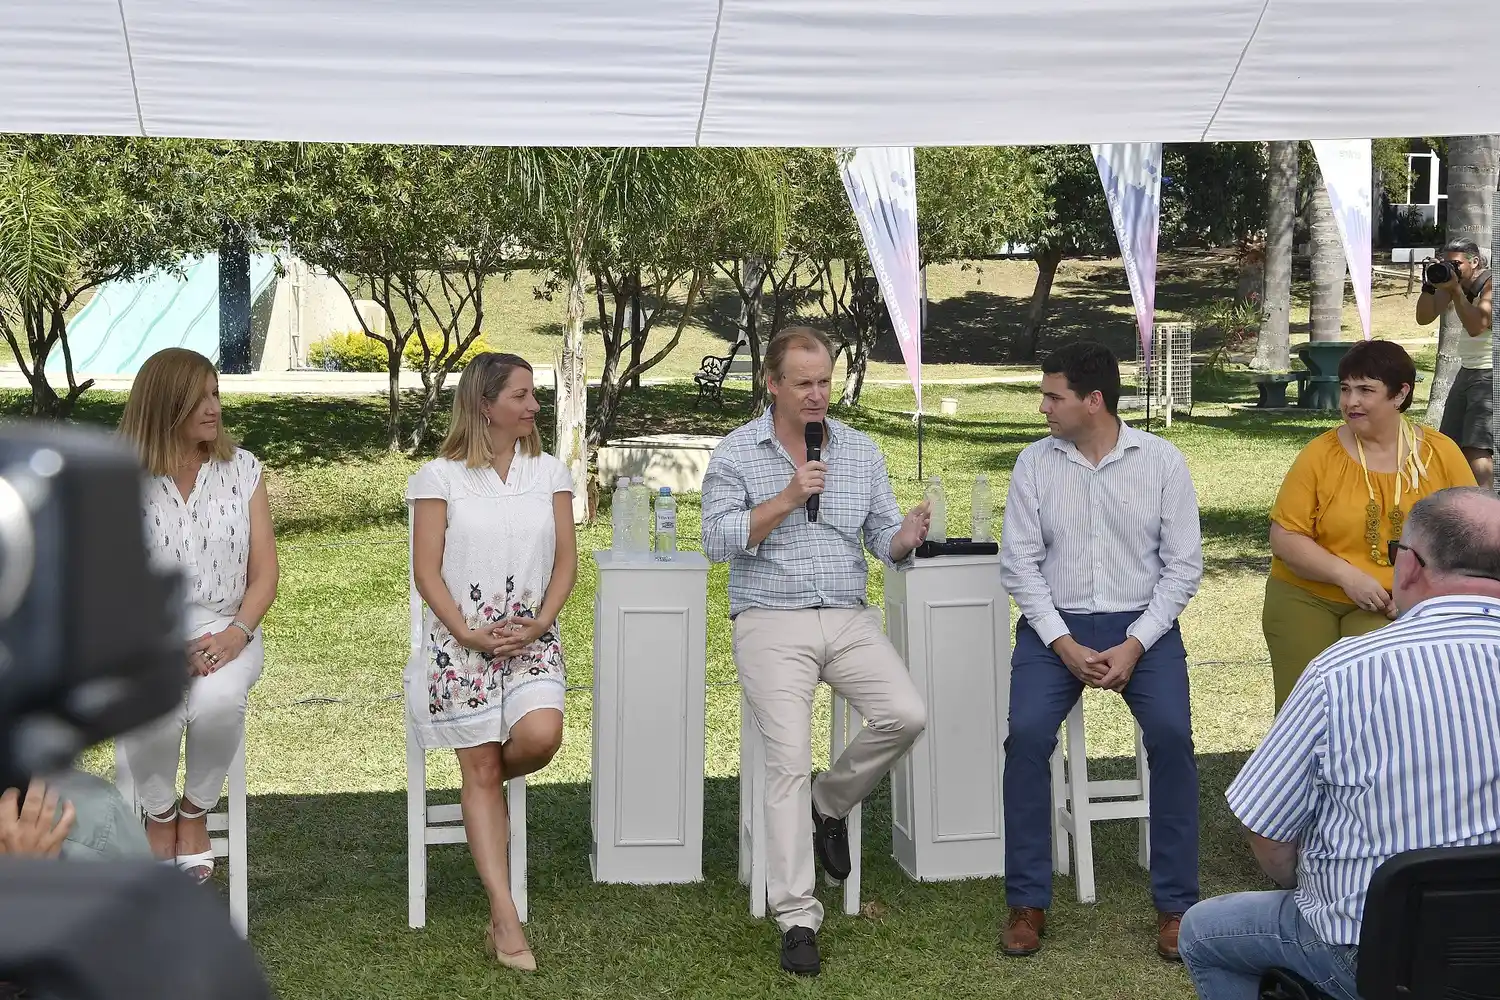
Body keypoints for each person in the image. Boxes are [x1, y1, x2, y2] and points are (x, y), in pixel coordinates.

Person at [1178, 486, 1500, 1000]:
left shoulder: (1344, 671)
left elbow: (1266, 832)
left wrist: (1305, 887)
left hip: (1370, 954)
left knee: (1203, 931)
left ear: (1410, 566)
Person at [701, 326, 930, 977]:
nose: (817, 394)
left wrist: (905, 536)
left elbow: (881, 534)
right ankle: (797, 916)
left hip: (848, 617)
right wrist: (785, 498)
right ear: (772, 384)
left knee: (906, 714)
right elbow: (717, 541)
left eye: (824, 381)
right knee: (787, 760)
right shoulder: (738, 452)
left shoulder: (860, 451)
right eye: (803, 383)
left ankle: (827, 805)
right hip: (770, 620)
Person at [998, 341, 1204, 962]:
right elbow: (1019, 563)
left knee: (1171, 736)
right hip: (1053, 626)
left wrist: (1136, 642)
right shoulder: (1034, 463)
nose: (1043, 407)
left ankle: (1176, 905)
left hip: (1144, 625)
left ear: (1093, 401)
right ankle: (1027, 901)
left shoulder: (1162, 462)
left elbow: (1183, 566)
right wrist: (1060, 642)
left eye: (1052, 395)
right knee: (1027, 737)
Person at [407, 352, 576, 974]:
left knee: (541, 734)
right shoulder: (438, 477)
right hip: (461, 644)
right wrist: (468, 633)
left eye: (535, 396)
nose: (535, 407)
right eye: (523, 396)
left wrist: (538, 623)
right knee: (479, 761)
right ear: (486, 405)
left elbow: (565, 565)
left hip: (532, 639)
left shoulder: (550, 472)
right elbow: (427, 571)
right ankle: (505, 916)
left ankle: (480, 789)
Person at [116, 348, 279, 885]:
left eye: (216, 394)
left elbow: (265, 576)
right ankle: (159, 814)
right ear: (166, 406)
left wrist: (237, 634)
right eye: (199, 397)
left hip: (228, 625)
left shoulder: (244, 471)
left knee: (219, 699)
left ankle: (195, 813)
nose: (213, 408)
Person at [1263, 339, 1476, 709]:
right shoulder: (1319, 454)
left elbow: (1470, 534)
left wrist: (1420, 593)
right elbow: (1284, 537)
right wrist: (1348, 576)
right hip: (1307, 595)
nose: (1350, 402)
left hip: (1392, 603)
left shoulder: (1440, 453)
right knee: (1304, 709)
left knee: (1370, 705)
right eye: (1345, 389)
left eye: (1365, 390)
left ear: (1399, 395)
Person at [1415, 238, 1493, 489]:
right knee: (1451, 444)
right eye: (1447, 263)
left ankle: (1488, 514)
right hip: (1469, 371)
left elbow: (1475, 327)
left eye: (1456, 264)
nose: (1452, 268)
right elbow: (1424, 318)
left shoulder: (1491, 284)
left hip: (1489, 372)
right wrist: (1429, 286)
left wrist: (1456, 292)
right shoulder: (1452, 284)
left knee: (1477, 448)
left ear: (1475, 262)